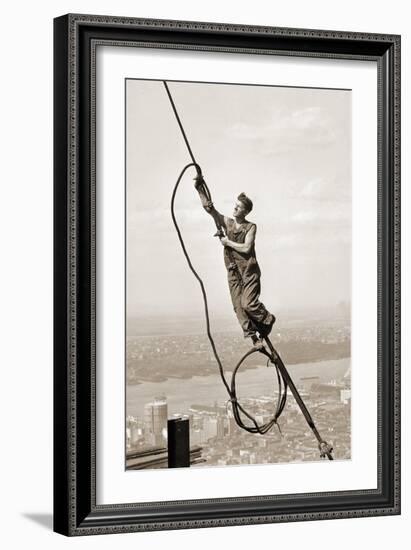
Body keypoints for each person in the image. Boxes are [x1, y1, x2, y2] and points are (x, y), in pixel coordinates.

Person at [194, 173, 275, 347]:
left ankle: (267, 320)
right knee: (238, 307)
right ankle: (253, 338)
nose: (235, 209)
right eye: (235, 206)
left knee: (248, 304)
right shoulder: (228, 223)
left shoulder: (250, 227)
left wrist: (227, 242)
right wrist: (200, 188)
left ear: (245, 211)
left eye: (239, 207)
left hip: (248, 272)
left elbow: (246, 248)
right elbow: (211, 210)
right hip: (233, 271)